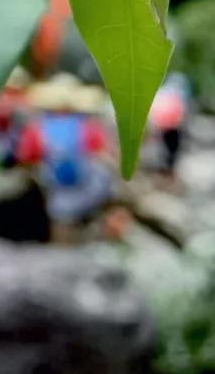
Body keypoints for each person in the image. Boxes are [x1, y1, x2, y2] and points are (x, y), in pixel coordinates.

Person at [15, 75, 119, 245]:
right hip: (88, 192)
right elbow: (103, 153)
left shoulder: (37, 128)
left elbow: (25, 158)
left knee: (60, 227)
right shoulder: (88, 127)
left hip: (55, 194)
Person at [143, 71, 193, 188]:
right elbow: (183, 112)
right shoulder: (179, 92)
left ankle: (163, 177)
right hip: (172, 128)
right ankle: (167, 178)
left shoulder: (163, 92)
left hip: (162, 127)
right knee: (171, 153)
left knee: (163, 152)